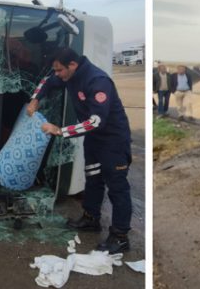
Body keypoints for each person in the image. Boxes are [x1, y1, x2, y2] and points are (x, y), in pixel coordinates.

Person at [27, 47, 133, 254]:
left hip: (113, 141)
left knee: (117, 187)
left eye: (59, 70)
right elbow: (47, 81)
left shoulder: (97, 81)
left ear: (72, 65)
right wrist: (35, 98)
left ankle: (120, 236)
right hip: (94, 140)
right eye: (56, 70)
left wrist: (60, 130)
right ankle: (91, 218)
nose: (57, 74)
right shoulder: (68, 75)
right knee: (93, 178)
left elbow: (96, 121)